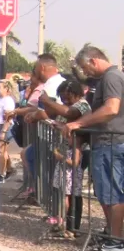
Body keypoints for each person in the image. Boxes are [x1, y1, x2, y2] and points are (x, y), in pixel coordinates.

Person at [63, 46, 124, 251]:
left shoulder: (111, 77)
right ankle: (112, 234)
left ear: (94, 61)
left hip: (111, 144)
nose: (85, 73)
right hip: (105, 144)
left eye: (85, 68)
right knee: (106, 193)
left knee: (112, 193)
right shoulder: (108, 78)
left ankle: (116, 239)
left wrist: (79, 123)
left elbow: (111, 109)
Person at [49, 78, 91, 236]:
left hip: (76, 151)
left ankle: (74, 226)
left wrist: (60, 126)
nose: (64, 100)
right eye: (62, 97)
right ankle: (66, 224)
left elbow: (74, 123)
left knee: (74, 192)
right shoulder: (71, 106)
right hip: (67, 152)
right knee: (66, 192)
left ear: (75, 93)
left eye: (67, 97)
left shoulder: (81, 106)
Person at [0, 80, 17, 184]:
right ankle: (9, 169)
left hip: (5, 126)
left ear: (6, 89)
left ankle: (1, 174)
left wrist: (3, 131)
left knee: (1, 151)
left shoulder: (8, 100)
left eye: (0, 87)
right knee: (3, 151)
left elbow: (8, 117)